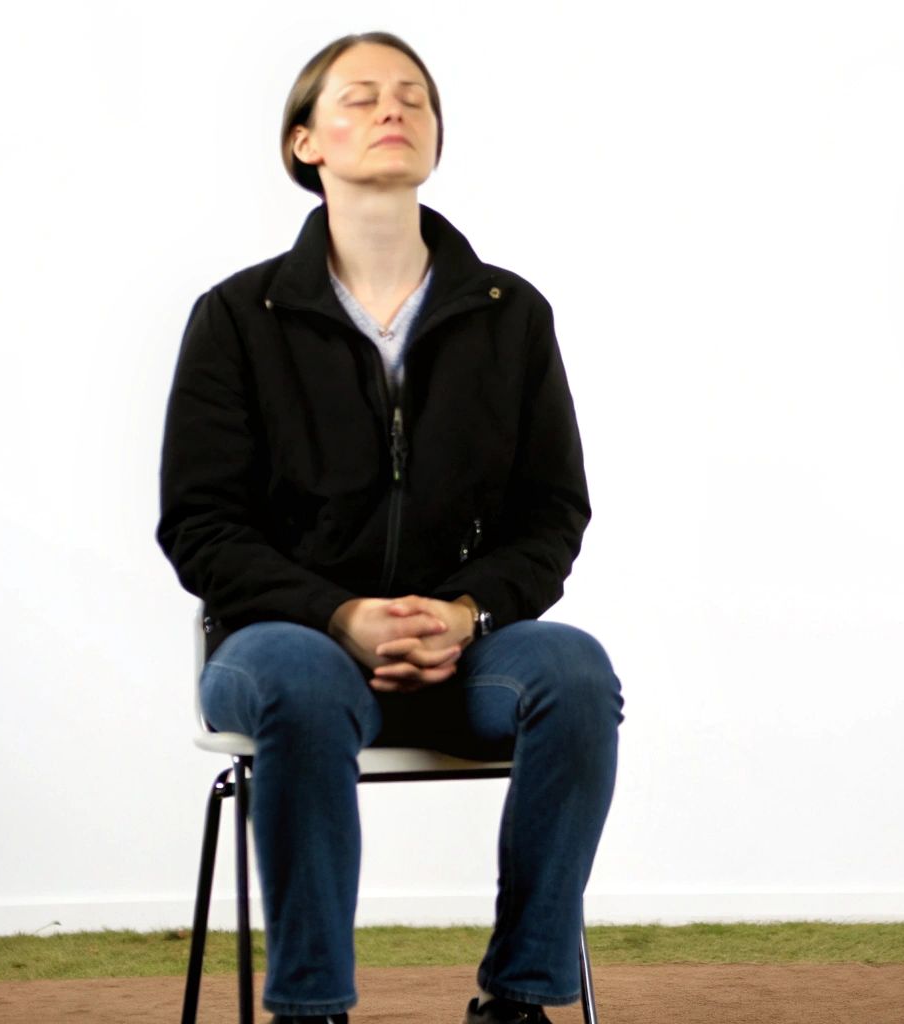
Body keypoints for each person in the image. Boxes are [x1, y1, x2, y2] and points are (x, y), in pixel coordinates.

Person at [155, 31, 624, 1024]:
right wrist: (340, 615)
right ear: (304, 142)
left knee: (576, 673)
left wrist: (463, 612)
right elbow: (200, 525)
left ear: (437, 137)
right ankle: (312, 1008)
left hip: (464, 655)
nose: (392, 109)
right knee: (298, 678)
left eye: (413, 95)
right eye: (360, 97)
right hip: (283, 648)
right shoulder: (237, 317)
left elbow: (553, 514)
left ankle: (520, 999)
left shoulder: (510, 315)